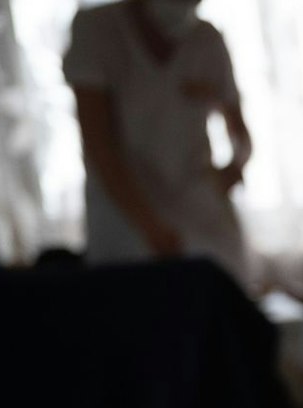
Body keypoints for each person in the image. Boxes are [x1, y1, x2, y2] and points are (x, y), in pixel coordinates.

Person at [64, 0, 252, 282]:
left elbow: (241, 134)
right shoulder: (96, 30)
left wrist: (233, 168)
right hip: (124, 222)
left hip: (201, 215)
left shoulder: (207, 40)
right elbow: (98, 146)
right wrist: (150, 227)